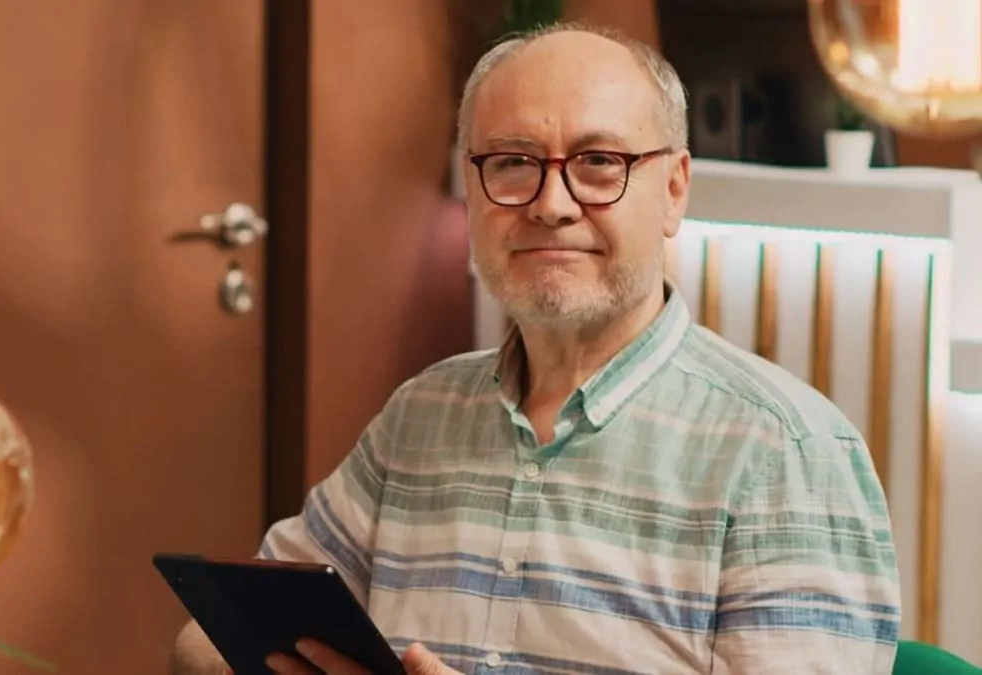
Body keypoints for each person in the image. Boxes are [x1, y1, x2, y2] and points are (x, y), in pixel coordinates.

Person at [170, 20, 900, 675]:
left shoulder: (785, 453)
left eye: (599, 162)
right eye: (514, 162)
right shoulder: (420, 416)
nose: (552, 203)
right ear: (472, 184)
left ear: (675, 189)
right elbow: (204, 636)